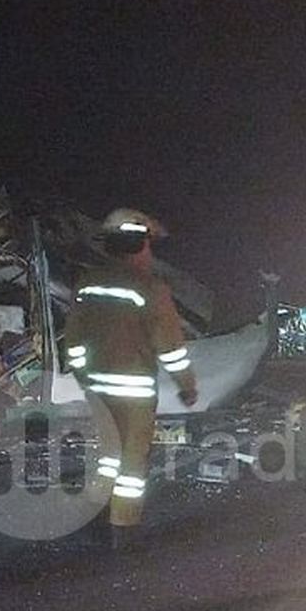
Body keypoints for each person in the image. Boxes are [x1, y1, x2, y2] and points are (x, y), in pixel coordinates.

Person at [64, 208, 197, 549]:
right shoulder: (150, 288)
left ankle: (91, 520)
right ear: (140, 245)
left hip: (95, 392)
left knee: (105, 457)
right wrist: (187, 387)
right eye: (149, 245)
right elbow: (170, 348)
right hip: (134, 395)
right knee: (130, 467)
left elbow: (74, 339)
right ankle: (123, 533)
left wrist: (84, 377)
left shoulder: (86, 284)